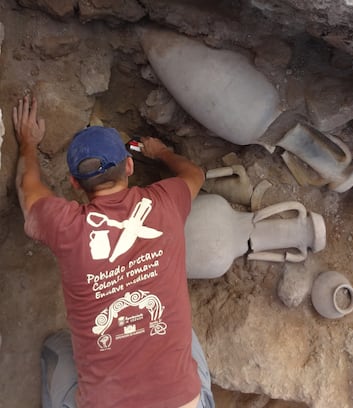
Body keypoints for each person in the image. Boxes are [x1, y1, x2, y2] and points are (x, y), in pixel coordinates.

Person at [13, 94, 215, 408]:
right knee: (182, 334)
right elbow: (194, 175)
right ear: (130, 165)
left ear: (75, 184)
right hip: (185, 401)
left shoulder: (66, 227)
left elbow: (28, 189)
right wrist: (162, 152)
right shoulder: (166, 201)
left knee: (54, 346)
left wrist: (27, 141)